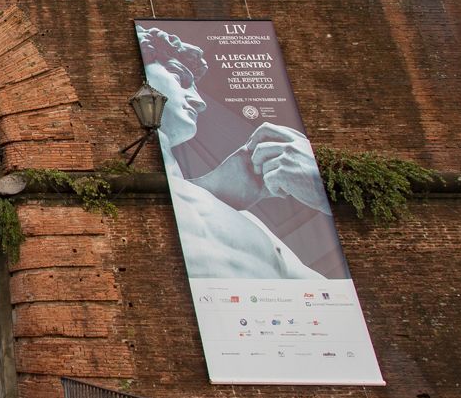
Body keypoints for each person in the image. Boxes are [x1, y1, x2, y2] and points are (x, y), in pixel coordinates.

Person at [137, 25, 325, 280]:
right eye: (179, 78)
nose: (199, 102)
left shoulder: (245, 218)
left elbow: (322, 290)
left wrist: (321, 189)